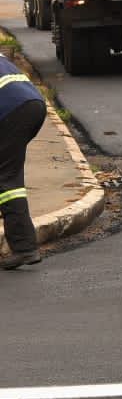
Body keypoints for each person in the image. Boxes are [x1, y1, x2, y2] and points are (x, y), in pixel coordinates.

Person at [1, 54, 46, 269]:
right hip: (33, 104)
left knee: (7, 181)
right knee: (9, 177)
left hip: (11, 110)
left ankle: (25, 248)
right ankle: (25, 247)